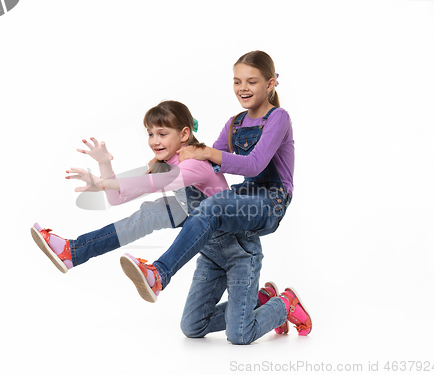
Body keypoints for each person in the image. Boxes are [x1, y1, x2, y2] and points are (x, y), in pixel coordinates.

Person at [121, 51, 312, 344]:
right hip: (244, 199)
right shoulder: (235, 122)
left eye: (252, 81)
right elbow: (206, 164)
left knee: (240, 335)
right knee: (192, 327)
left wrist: (208, 152)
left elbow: (254, 165)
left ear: (271, 84)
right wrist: (168, 158)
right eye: (237, 81)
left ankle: (283, 303)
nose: (243, 88)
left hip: (271, 199)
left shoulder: (279, 118)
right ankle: (260, 299)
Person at [30, 100, 229, 280]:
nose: (154, 141)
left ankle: (159, 275)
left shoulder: (194, 163)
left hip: (229, 235)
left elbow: (161, 182)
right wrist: (104, 164)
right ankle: (73, 252)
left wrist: (103, 183)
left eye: (162, 134)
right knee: (150, 213)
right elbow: (117, 198)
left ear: (184, 134)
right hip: (203, 226)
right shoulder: (164, 164)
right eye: (150, 134)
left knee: (159, 210)